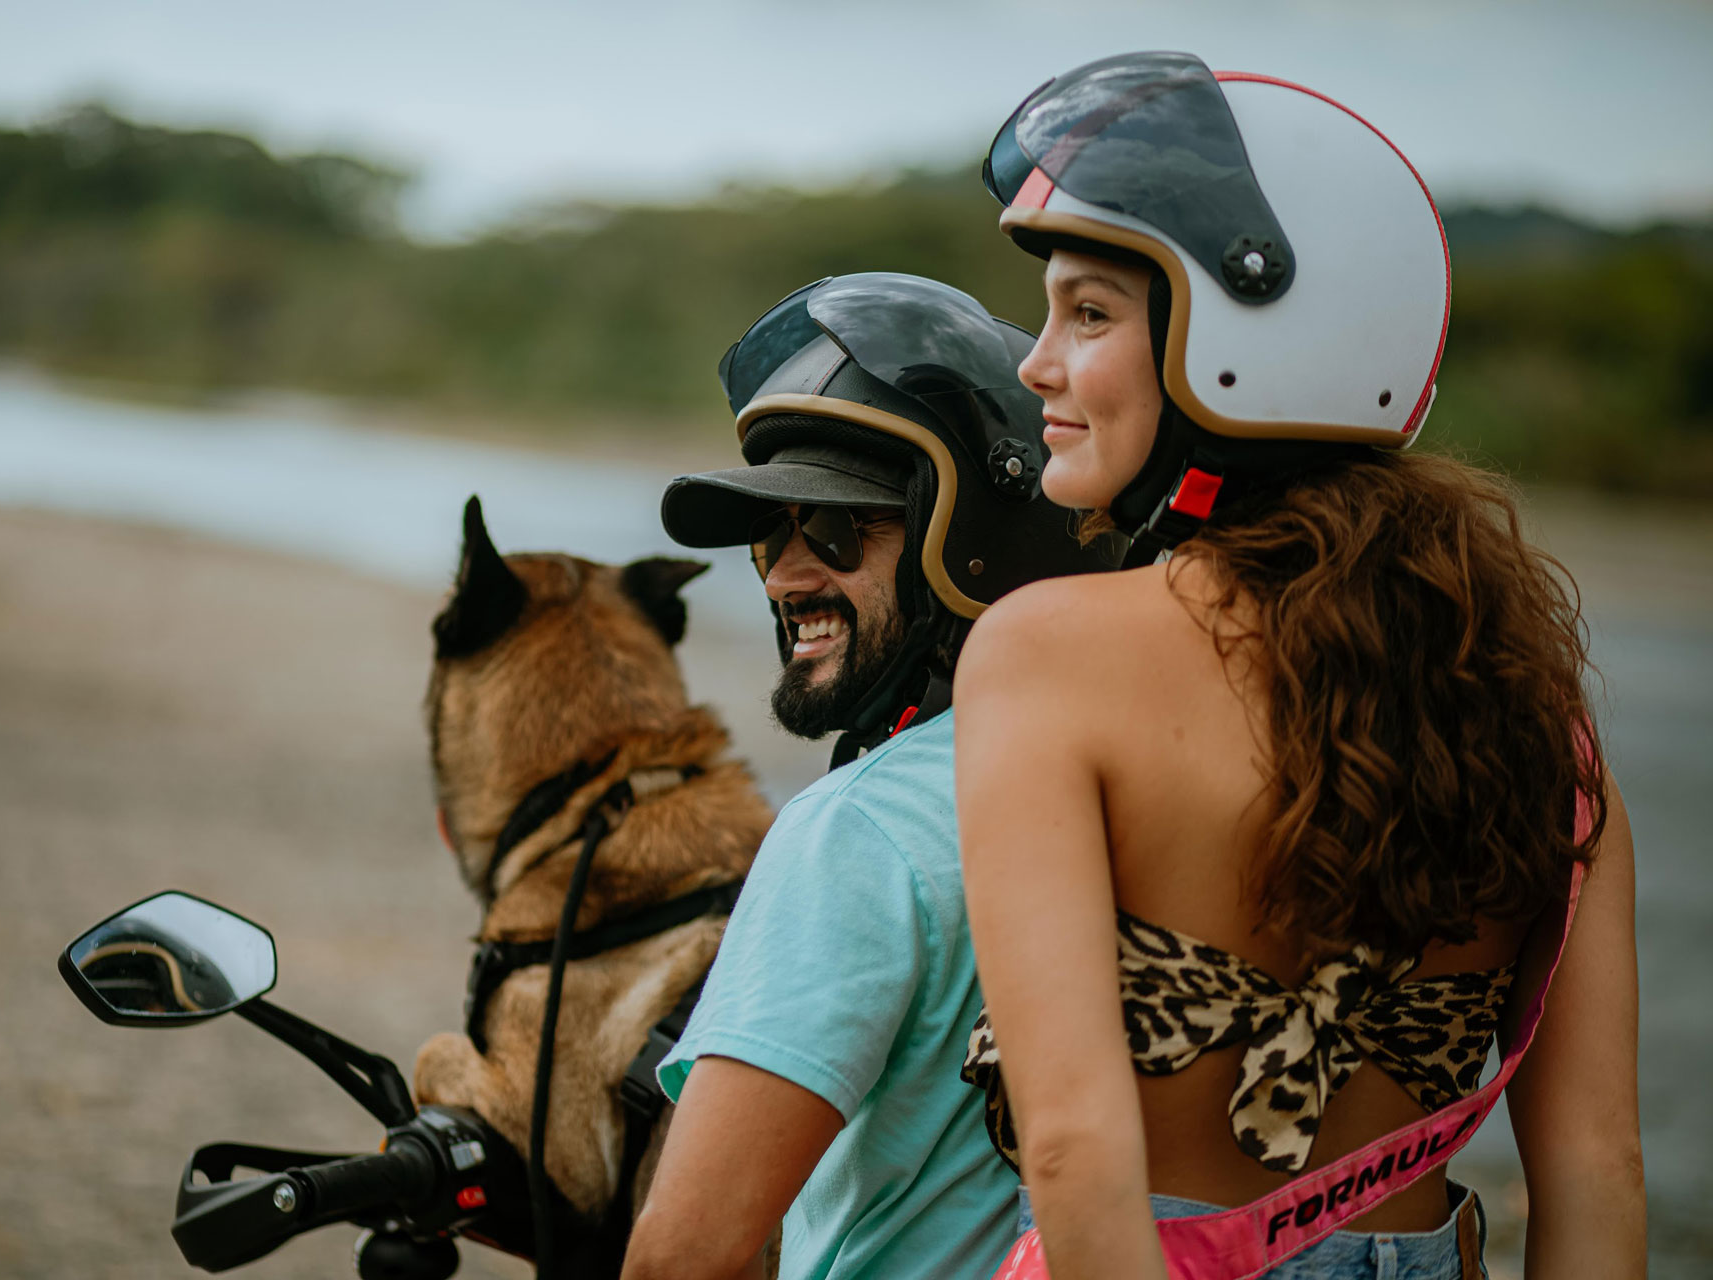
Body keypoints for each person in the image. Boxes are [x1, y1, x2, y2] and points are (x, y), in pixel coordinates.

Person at [952, 52, 1645, 1280]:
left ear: (1243, 341)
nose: (1036, 363)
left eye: (1092, 313)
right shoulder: (1529, 697)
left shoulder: (1045, 651)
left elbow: (1076, 1151)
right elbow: (1594, 1168)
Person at [620, 272, 1118, 1280]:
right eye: (773, 532)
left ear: (972, 543)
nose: (782, 574)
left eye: (838, 530)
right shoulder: (1137, 771)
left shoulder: (861, 828)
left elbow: (687, 1256)